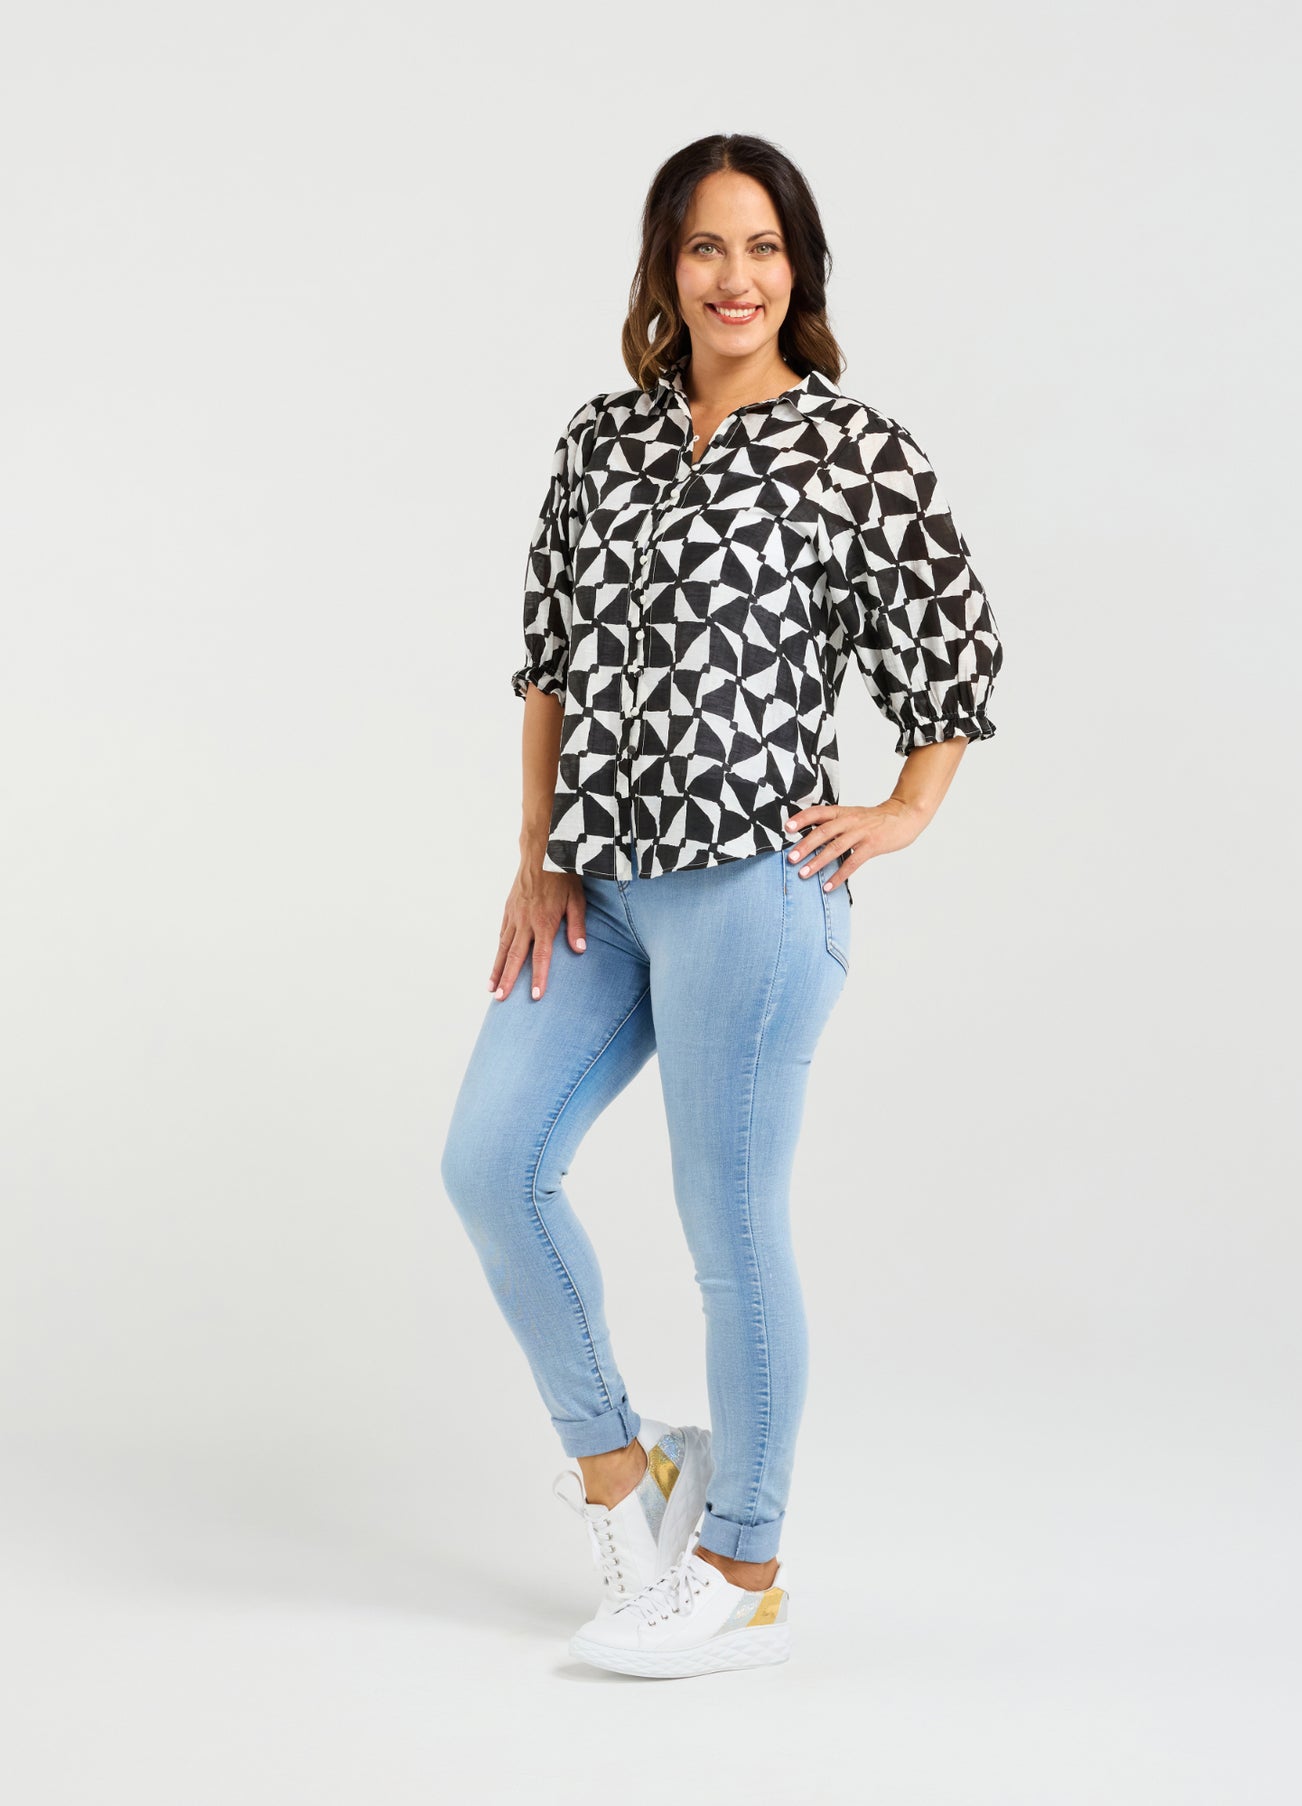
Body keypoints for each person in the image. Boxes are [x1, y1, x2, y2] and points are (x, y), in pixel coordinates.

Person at [440, 132, 1003, 1680]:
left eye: (762, 247)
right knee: (490, 1163)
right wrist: (536, 848)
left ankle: (744, 1563)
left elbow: (953, 650)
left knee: (728, 1227)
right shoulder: (602, 439)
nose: (733, 276)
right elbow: (549, 653)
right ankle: (623, 1468)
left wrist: (904, 808)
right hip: (598, 884)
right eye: (704, 247)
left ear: (797, 269)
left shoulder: (851, 449)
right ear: (664, 267)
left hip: (753, 891)